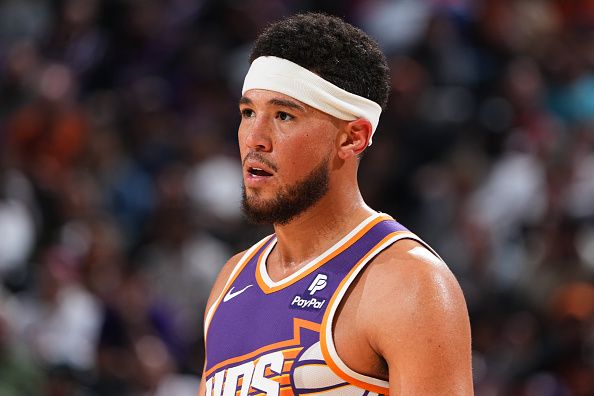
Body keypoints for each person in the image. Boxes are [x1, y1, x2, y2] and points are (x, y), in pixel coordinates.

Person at [199, 12, 472, 396]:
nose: (255, 138)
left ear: (352, 138)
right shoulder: (231, 280)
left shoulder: (407, 282)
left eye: (283, 115)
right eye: (248, 113)